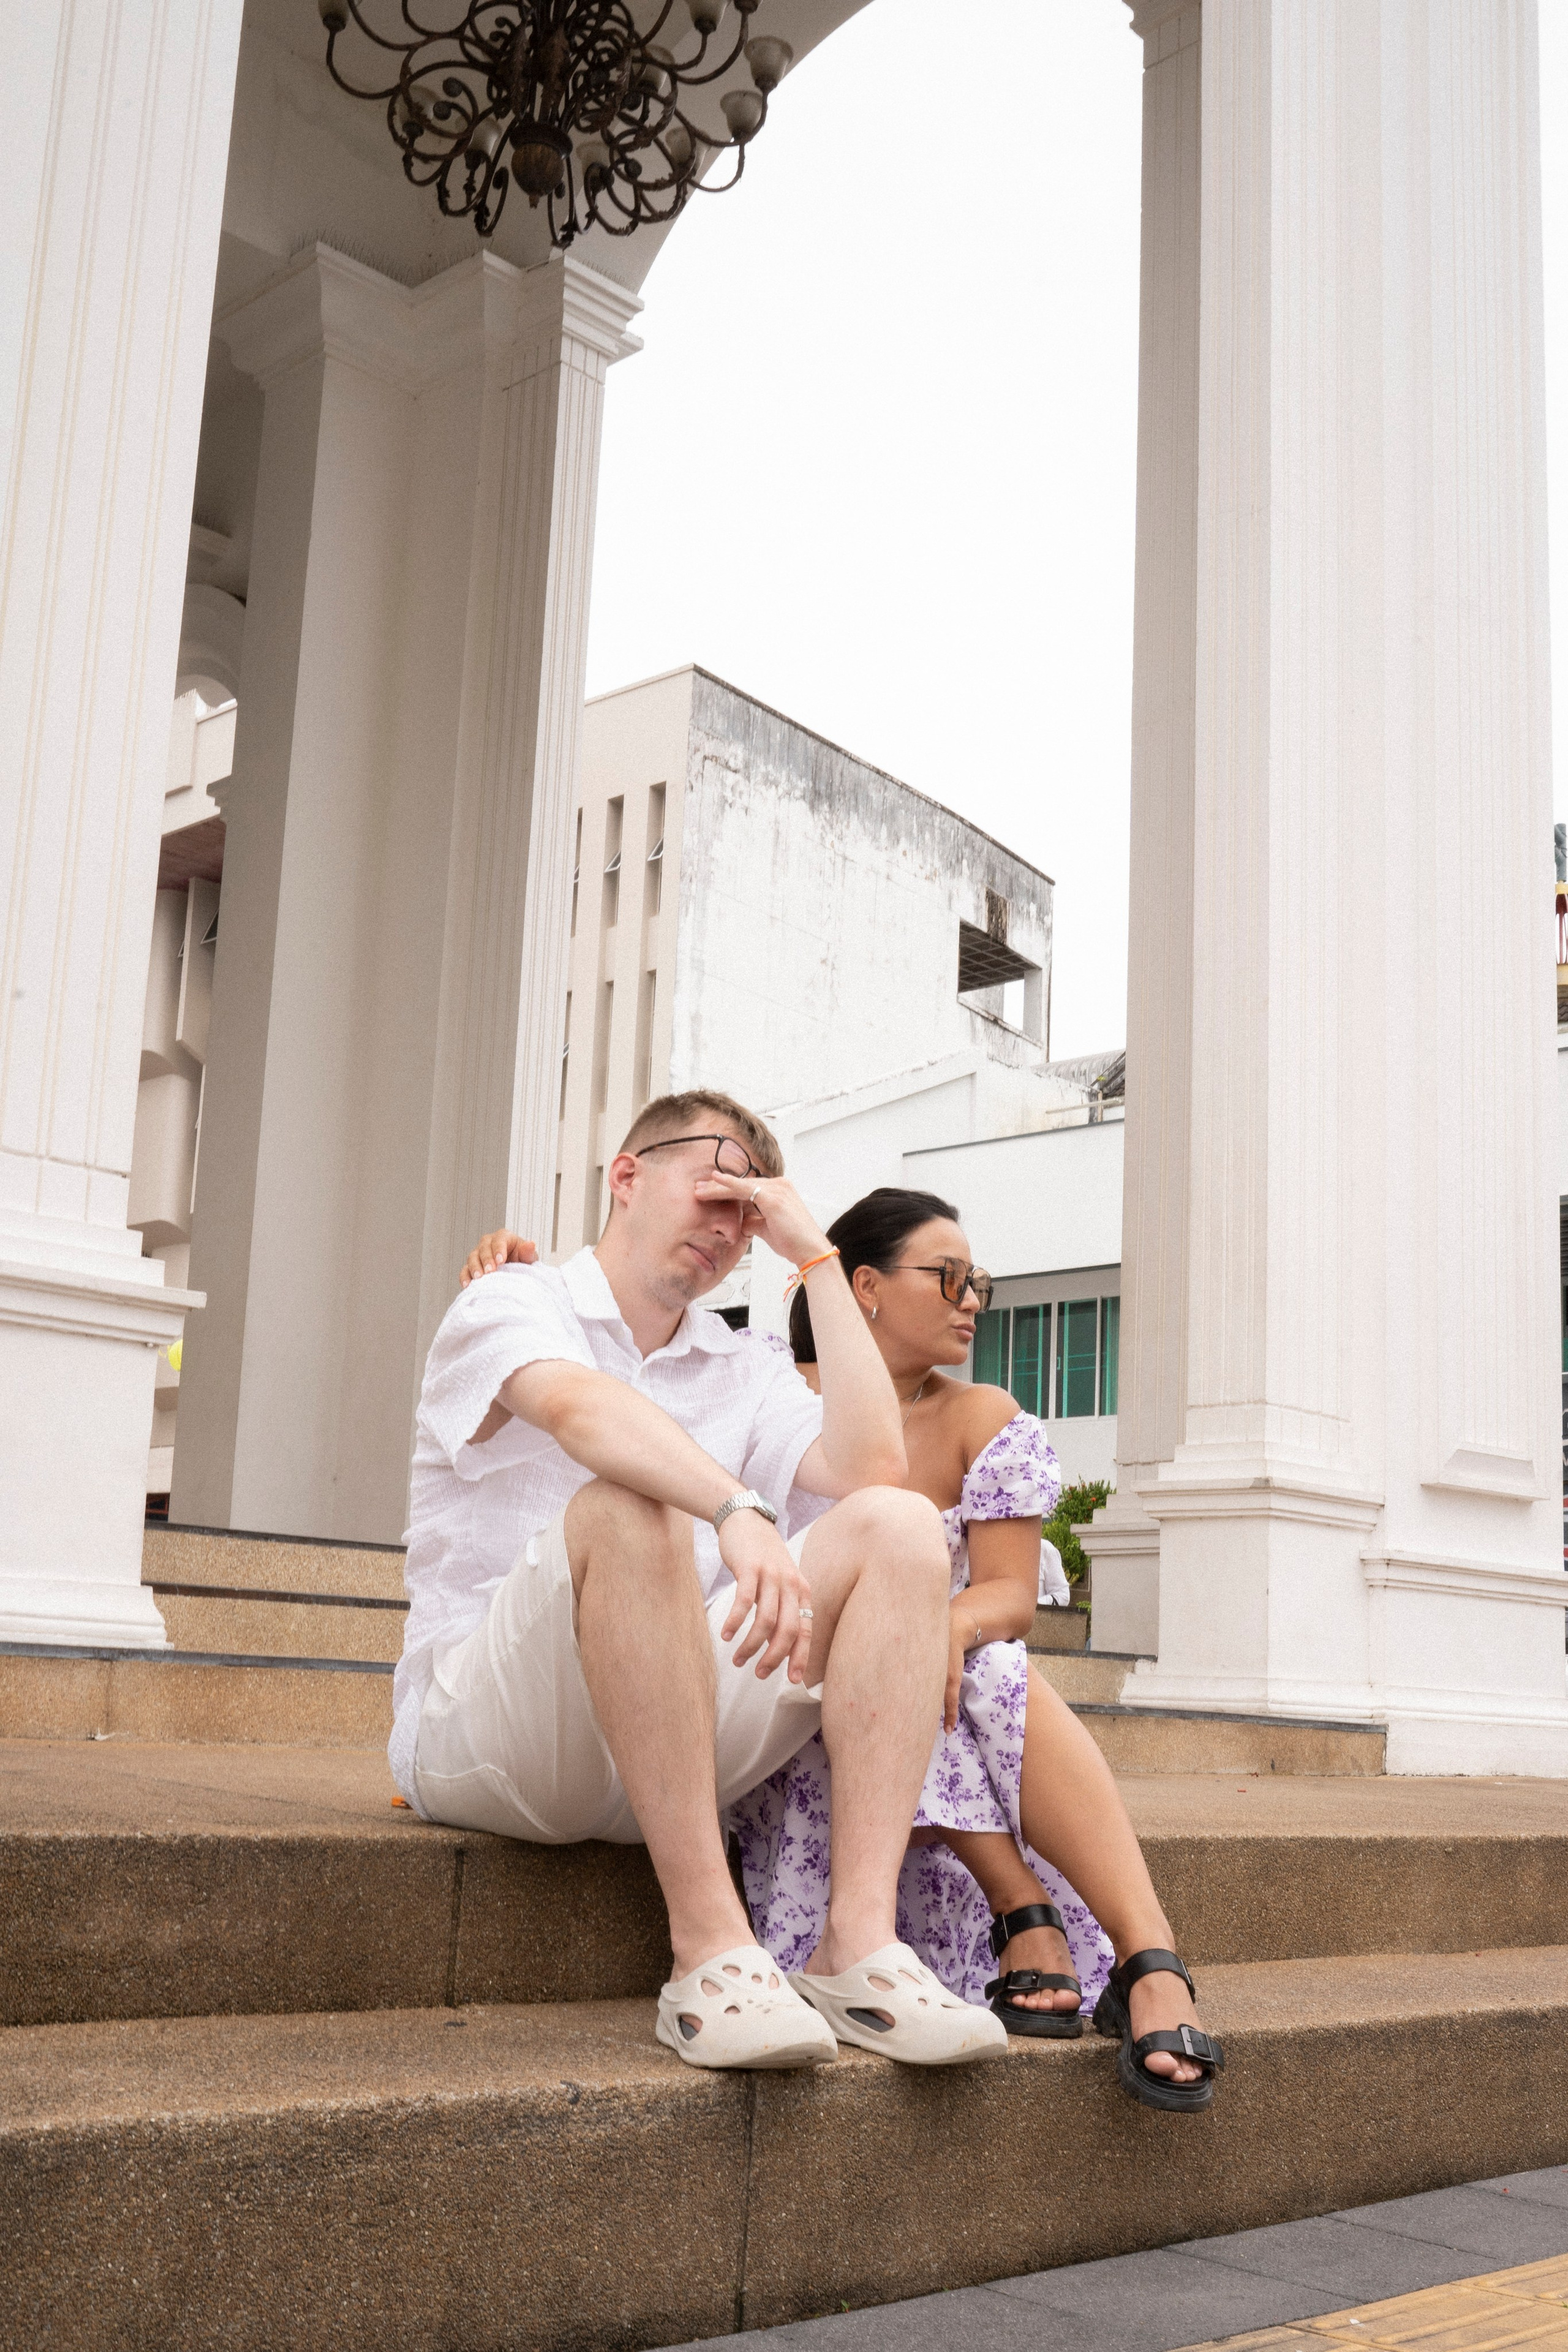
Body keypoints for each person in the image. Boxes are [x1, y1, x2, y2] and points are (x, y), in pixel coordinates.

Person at [464, 1183, 1224, 2113]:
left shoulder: (985, 1418)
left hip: (922, 1696)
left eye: (977, 1282)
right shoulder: (770, 1384)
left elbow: (1008, 1597)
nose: (972, 1301)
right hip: (791, 1687)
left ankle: (1145, 1955)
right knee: (913, 1649)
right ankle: (1017, 1902)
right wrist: (529, 1277)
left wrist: (943, 1628)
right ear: (864, 1286)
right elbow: (639, 1378)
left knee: (975, 1661)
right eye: (947, 1277)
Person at [397, 1091, 1008, 2073]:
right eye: (714, 1191)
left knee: (898, 1525)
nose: (729, 1227)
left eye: (749, 1212)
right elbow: (580, 1411)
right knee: (632, 1501)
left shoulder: (745, 1361)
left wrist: (814, 1257)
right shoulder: (512, 1300)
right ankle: (710, 1952)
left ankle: (857, 1946)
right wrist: (734, 1509)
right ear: (627, 1177)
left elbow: (873, 1465)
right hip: (495, 1736)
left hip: (673, 1733)